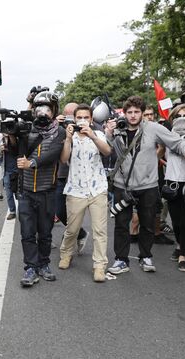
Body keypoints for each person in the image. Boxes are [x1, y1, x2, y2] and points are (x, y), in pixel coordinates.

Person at [105, 96, 185, 275]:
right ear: (124, 113)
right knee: (121, 225)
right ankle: (121, 260)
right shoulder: (118, 128)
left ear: (142, 113)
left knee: (147, 223)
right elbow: (107, 151)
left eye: (136, 112)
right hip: (122, 185)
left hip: (147, 185)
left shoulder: (153, 128)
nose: (132, 116)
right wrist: (109, 133)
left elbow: (175, 141)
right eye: (129, 112)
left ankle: (145, 256)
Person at [15, 91, 66, 287]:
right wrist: (13, 136)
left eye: (47, 108)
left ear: (54, 111)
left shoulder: (59, 132)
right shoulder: (26, 129)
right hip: (26, 190)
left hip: (48, 190)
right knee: (27, 232)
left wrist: (32, 163)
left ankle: (44, 264)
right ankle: (30, 268)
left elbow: (53, 154)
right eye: (39, 108)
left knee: (45, 231)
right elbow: (14, 150)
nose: (43, 112)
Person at [58, 104, 112, 282]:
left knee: (100, 230)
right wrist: (67, 139)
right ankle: (66, 253)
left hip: (98, 189)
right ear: (74, 119)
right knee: (72, 229)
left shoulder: (99, 134)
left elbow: (107, 152)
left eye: (85, 117)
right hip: (76, 189)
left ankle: (99, 266)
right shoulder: (70, 136)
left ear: (91, 119)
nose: (82, 121)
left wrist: (93, 136)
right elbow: (64, 159)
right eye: (78, 117)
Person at [162, 105, 185, 272]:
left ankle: (183, 254)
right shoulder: (167, 137)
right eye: (178, 115)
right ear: (172, 119)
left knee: (184, 222)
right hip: (170, 183)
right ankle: (179, 245)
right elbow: (159, 154)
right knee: (175, 221)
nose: (182, 118)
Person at [54, 102, 90, 253]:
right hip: (61, 174)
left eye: (72, 116)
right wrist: (56, 125)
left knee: (75, 211)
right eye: (66, 115)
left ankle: (71, 236)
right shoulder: (58, 128)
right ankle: (78, 232)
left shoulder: (86, 128)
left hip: (79, 177)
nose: (70, 119)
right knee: (59, 209)